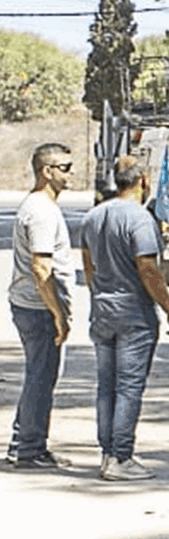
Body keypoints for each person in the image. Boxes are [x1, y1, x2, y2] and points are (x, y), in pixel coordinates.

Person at [79, 155, 169, 481]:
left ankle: (107, 451)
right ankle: (121, 457)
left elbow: (89, 265)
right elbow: (148, 269)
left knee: (106, 386)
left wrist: (100, 296)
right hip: (134, 313)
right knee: (129, 387)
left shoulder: (94, 217)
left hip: (103, 310)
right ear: (143, 181)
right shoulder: (140, 219)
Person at [8, 142, 78, 469]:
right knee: (41, 377)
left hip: (34, 307)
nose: (71, 172)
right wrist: (57, 313)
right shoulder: (40, 211)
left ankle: (22, 442)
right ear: (46, 172)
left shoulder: (41, 206)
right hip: (37, 309)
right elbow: (41, 268)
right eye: (64, 167)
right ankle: (29, 449)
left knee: (40, 374)